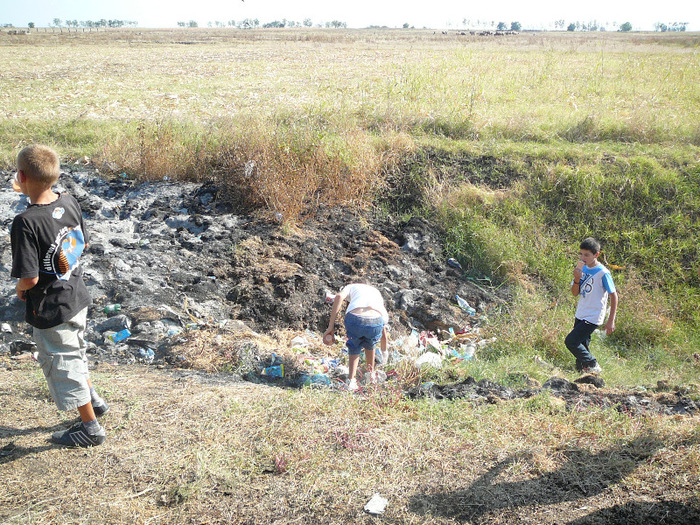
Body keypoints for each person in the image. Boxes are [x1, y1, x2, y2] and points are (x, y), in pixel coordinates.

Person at [10, 145, 109, 448]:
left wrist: (20, 290)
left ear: (22, 177)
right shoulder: (69, 202)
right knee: (76, 351)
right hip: (76, 295)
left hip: (50, 308)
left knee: (63, 362)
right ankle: (94, 400)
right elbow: (82, 244)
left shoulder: (25, 222)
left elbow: (30, 277)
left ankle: (90, 428)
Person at [565, 237, 618, 374]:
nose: (583, 257)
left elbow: (614, 295)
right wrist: (577, 278)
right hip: (581, 312)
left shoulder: (603, 273)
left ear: (596, 255)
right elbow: (575, 293)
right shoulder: (581, 269)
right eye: (581, 254)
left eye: (587, 255)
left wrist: (611, 320)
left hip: (593, 315)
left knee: (571, 341)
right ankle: (583, 372)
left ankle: (592, 364)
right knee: (582, 345)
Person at [323, 283, 388, 391]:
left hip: (355, 319)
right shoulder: (376, 294)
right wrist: (385, 353)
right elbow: (383, 333)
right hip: (376, 319)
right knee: (371, 344)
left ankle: (351, 381)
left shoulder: (350, 287)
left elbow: (338, 297)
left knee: (354, 346)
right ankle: (370, 377)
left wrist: (330, 327)